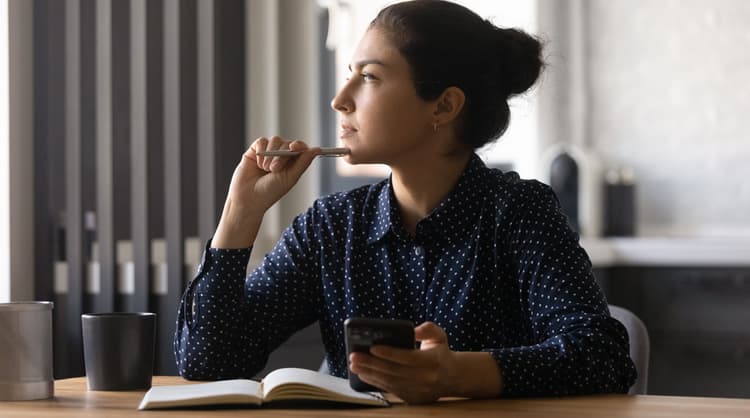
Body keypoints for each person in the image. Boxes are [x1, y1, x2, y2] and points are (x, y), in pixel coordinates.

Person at [174, 0, 636, 404]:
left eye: (369, 77)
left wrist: (456, 373)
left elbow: (603, 358)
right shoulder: (332, 227)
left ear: (444, 107)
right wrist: (242, 212)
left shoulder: (518, 213)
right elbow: (207, 363)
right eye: (347, 76)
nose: (340, 100)